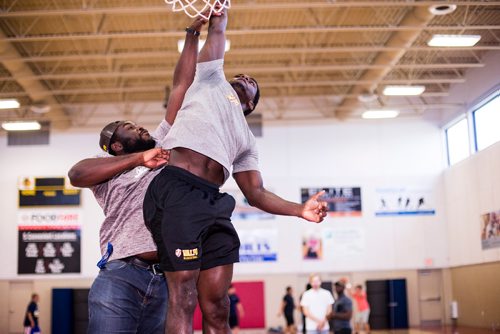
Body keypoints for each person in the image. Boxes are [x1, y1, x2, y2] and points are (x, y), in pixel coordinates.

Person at [142, 7, 328, 334]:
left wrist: (300, 210)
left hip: (213, 202)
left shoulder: (246, 139)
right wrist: (218, 14)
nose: (245, 79)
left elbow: (255, 193)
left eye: (252, 83)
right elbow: (218, 33)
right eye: (240, 77)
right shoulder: (211, 81)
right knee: (183, 294)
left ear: (251, 105)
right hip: (177, 189)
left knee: (217, 305)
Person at [67, 13, 212, 334]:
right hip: (121, 274)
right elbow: (76, 174)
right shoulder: (107, 169)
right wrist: (138, 160)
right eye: (130, 128)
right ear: (116, 146)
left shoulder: (162, 144)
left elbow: (180, 87)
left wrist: (193, 32)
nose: (140, 127)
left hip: (166, 279)